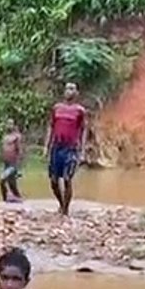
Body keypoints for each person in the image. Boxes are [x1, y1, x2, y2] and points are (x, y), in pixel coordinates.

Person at [44, 82, 88, 216]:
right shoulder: (57, 108)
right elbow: (50, 126)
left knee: (67, 179)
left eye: (72, 89)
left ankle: (65, 210)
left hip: (71, 148)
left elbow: (84, 129)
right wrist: (46, 146)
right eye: (67, 89)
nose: (69, 91)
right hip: (56, 147)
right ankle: (61, 203)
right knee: (53, 181)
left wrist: (83, 150)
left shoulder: (80, 110)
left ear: (76, 93)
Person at [0, 119, 24, 203]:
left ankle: (5, 198)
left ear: (14, 125)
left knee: (2, 179)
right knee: (12, 184)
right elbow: (2, 149)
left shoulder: (16, 137)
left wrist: (19, 166)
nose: (8, 126)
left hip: (13, 164)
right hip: (6, 163)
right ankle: (16, 199)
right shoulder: (4, 136)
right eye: (7, 124)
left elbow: (20, 150)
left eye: (10, 124)